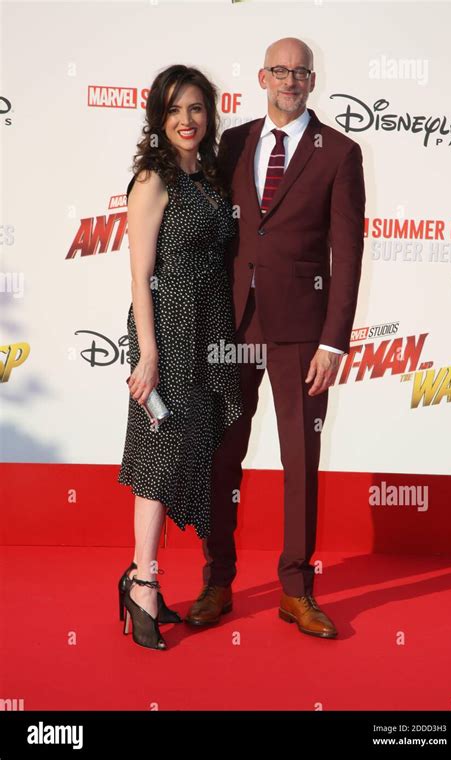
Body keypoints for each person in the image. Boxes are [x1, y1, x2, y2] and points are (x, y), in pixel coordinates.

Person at [185, 38, 366, 638]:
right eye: (280, 70)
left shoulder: (339, 153)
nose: (290, 80)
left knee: (301, 462)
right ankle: (218, 579)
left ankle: (296, 589)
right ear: (263, 76)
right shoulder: (231, 143)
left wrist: (334, 342)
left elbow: (347, 255)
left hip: (302, 335)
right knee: (222, 457)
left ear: (313, 81)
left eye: (301, 72)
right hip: (232, 324)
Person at [117, 64, 243, 650]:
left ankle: (145, 582)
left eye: (195, 108)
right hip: (167, 331)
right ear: (158, 118)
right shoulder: (153, 178)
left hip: (207, 329)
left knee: (183, 453)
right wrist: (148, 356)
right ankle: (143, 582)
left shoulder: (210, 177)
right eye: (175, 110)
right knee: (158, 458)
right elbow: (140, 277)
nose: (187, 121)